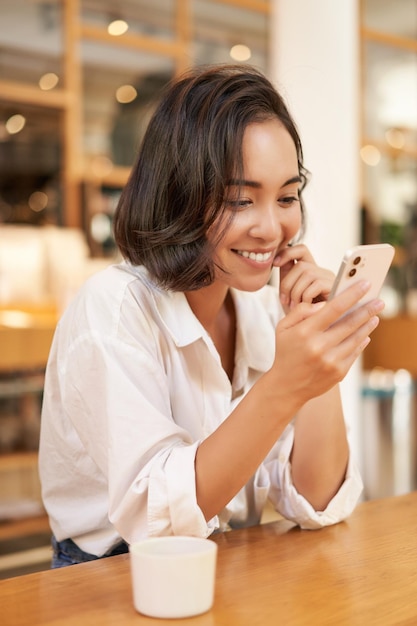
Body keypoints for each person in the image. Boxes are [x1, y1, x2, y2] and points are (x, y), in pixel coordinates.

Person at [39, 64, 384, 568]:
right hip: (110, 577)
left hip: (226, 568)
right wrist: (286, 383)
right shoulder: (113, 311)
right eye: (240, 200)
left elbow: (317, 501)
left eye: (287, 197)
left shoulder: (263, 309)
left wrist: (318, 363)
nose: (272, 227)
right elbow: (158, 520)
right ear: (178, 194)